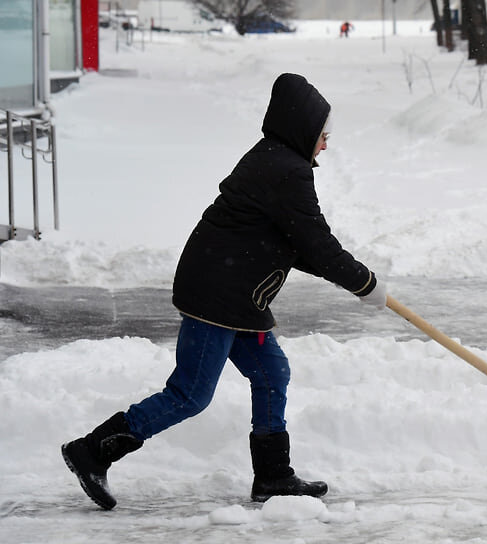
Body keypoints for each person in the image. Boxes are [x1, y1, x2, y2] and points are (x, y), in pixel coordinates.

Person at [61, 73, 387, 510]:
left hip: (235, 295)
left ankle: (273, 475)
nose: (326, 145)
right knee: (190, 394)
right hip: (217, 296)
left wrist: (357, 282)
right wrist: (363, 283)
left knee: (272, 375)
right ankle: (93, 450)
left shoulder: (275, 160)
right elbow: (315, 242)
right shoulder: (286, 171)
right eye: (324, 135)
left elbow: (296, 242)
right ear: (305, 130)